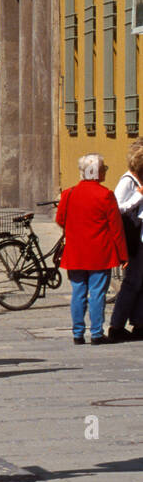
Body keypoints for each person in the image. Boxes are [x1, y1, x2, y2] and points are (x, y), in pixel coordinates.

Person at [57, 153, 128, 345]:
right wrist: (123, 255)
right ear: (96, 172)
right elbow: (116, 228)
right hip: (100, 253)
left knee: (78, 292)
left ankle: (78, 333)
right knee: (97, 293)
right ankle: (96, 333)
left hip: (76, 252)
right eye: (104, 168)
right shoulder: (105, 195)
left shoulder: (68, 193)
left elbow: (60, 219)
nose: (105, 171)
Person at [108, 142, 143, 340]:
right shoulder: (128, 181)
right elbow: (117, 208)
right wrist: (137, 198)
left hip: (141, 237)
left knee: (141, 282)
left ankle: (139, 323)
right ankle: (116, 326)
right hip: (133, 239)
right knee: (131, 282)